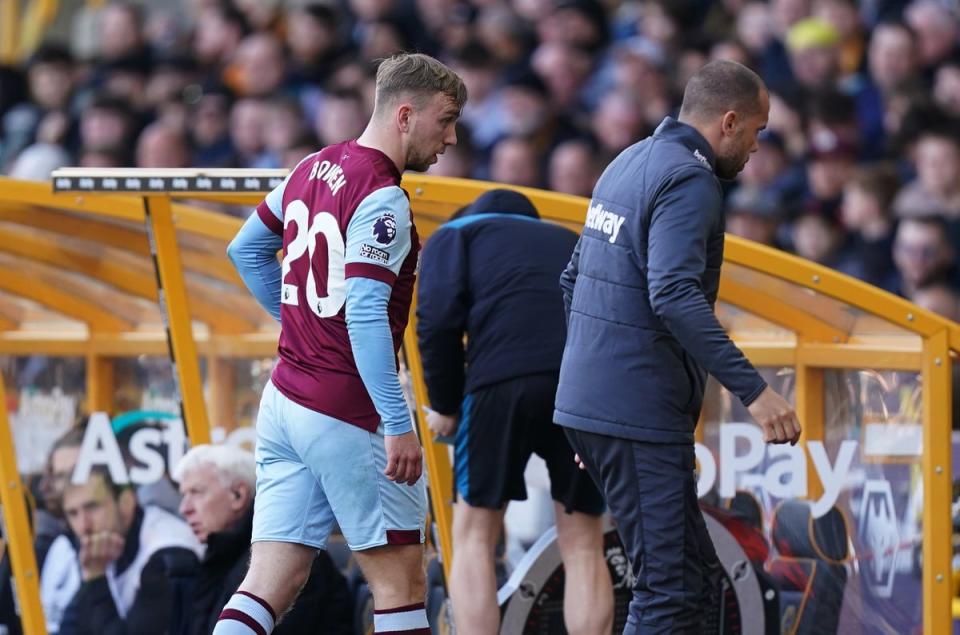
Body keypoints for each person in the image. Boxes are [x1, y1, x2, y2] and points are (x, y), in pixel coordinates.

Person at [221, 52, 465, 635]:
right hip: (347, 409)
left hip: (284, 402)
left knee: (269, 582)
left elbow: (245, 249)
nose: (451, 137)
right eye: (446, 119)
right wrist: (396, 421)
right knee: (402, 584)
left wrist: (298, 321)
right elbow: (364, 315)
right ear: (405, 115)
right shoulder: (383, 197)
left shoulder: (310, 167)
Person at [554, 60, 802, 633]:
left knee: (695, 579)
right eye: (758, 133)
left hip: (607, 407)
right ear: (730, 122)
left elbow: (572, 281)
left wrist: (591, 404)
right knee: (669, 590)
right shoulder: (690, 180)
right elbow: (672, 293)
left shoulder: (628, 162)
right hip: (636, 410)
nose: (757, 148)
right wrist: (756, 392)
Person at [417, 189, 613, 634]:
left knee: (475, 536)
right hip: (583, 389)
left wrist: (446, 405)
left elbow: (437, 318)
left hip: (501, 381)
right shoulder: (570, 239)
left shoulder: (456, 234)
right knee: (584, 543)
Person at [172, 444, 353, 634]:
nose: (184, 508)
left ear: (238, 495)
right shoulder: (221, 559)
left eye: (196, 492)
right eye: (184, 495)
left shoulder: (288, 557)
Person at [48, 467, 201, 635]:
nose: (84, 525)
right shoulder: (104, 548)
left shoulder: (168, 553)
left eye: (92, 507)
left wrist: (96, 580)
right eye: (73, 513)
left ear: (126, 502)